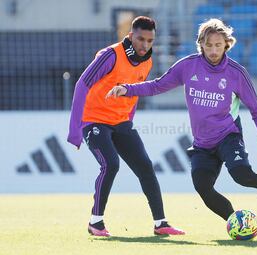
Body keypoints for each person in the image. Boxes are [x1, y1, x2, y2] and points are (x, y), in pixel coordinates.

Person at [106, 18, 257, 222]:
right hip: (202, 144)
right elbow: (157, 85)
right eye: (208, 45)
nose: (213, 51)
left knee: (243, 175)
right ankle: (236, 221)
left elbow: (256, 110)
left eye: (218, 45)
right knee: (202, 187)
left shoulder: (236, 73)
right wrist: (128, 89)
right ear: (201, 45)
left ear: (226, 44)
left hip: (228, 136)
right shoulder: (188, 66)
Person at [67, 16, 185, 237]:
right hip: (94, 120)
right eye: (140, 39)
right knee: (111, 164)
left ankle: (161, 223)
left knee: (146, 167)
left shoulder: (147, 61)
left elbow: (135, 93)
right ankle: (96, 222)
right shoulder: (110, 55)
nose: (145, 45)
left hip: (121, 122)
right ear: (130, 36)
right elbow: (82, 85)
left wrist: (128, 120)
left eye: (150, 40)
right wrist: (75, 131)